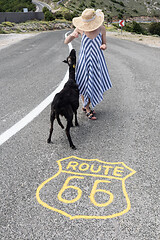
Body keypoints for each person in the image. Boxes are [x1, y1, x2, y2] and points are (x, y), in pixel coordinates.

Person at [64, 8, 112, 120]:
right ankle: (87, 107)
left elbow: (104, 43)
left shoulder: (102, 29)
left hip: (97, 61)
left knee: (94, 82)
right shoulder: (80, 29)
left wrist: (103, 46)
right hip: (84, 61)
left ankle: (87, 104)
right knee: (83, 83)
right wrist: (72, 35)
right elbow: (66, 41)